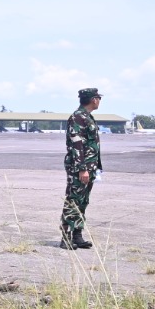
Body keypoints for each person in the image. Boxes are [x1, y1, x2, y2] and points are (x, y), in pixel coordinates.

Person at [61, 88, 103, 249]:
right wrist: (82, 169)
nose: (99, 101)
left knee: (82, 202)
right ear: (93, 99)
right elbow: (76, 145)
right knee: (73, 200)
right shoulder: (78, 117)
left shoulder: (87, 117)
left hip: (89, 166)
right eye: (98, 98)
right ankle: (66, 237)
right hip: (80, 167)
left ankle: (77, 235)